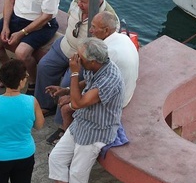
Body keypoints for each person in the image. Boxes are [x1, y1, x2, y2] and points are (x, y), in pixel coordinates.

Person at [34, 38, 124, 183]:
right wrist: (65, 89)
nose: (76, 59)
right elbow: (86, 84)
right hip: (82, 123)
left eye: (80, 57)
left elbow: (78, 103)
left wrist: (73, 72)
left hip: (98, 131)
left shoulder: (110, 79)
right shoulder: (95, 68)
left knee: (76, 174)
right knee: (56, 159)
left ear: (92, 61)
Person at [46, 11, 138, 144]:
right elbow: (92, 80)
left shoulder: (106, 53)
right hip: (122, 90)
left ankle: (67, 137)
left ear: (106, 30)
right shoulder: (122, 38)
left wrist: (74, 75)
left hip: (115, 100)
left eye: (94, 27)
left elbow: (91, 90)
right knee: (67, 99)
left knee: (66, 107)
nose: (91, 30)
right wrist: (66, 90)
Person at [34, 0, 116, 117]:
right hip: (65, 45)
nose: (78, 4)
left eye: (83, 2)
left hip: (84, 58)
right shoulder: (76, 2)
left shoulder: (109, 18)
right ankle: (44, 105)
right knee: (44, 66)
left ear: (95, 2)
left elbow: (106, 46)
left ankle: (62, 121)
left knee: (69, 83)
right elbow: (68, 17)